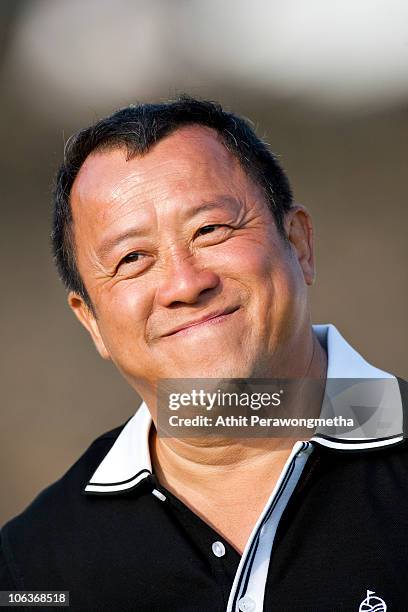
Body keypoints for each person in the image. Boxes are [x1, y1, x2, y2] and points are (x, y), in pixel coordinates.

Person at [1, 96, 406, 611]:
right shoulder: (32, 564)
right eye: (132, 258)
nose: (184, 284)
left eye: (210, 230)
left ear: (298, 244)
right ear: (91, 321)